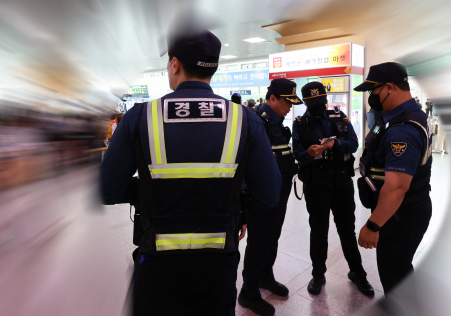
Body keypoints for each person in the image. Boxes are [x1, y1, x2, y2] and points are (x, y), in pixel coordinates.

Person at [100, 26, 282, 316]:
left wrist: (146, 190)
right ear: (213, 67)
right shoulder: (243, 119)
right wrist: (233, 199)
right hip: (217, 262)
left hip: (157, 261)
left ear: (174, 64)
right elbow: (270, 194)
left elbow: (106, 190)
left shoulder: (140, 117)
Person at [354, 62, 432, 295]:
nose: (371, 96)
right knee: (400, 271)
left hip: (400, 216)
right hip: (404, 211)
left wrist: (373, 225)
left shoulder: (402, 130)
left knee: (394, 276)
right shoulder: (402, 116)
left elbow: (397, 188)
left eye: (373, 90)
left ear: (388, 88)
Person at [292, 82, 374, 297]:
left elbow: (354, 144)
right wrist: (309, 153)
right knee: (318, 230)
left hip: (341, 181)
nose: (317, 108)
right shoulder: (300, 123)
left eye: (319, 103)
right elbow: (297, 152)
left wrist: (333, 145)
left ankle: (357, 272)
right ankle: (318, 273)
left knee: (346, 229)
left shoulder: (340, 117)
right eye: (312, 104)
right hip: (315, 183)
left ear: (325, 100)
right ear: (306, 104)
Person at [239, 79, 302, 315]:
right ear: (272, 98)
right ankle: (249, 291)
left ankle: (266, 276)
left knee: (272, 238)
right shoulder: (257, 122)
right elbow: (245, 163)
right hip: (261, 196)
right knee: (259, 242)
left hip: (279, 193)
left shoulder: (276, 123)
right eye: (287, 102)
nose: (289, 107)